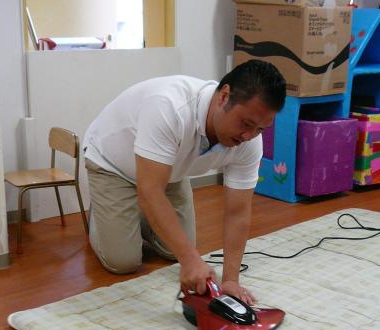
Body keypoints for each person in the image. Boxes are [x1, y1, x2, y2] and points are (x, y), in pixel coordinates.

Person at [83, 60, 286, 305]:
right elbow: (150, 192)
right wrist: (190, 260)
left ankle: (138, 215)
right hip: (113, 165)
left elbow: (238, 211)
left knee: (173, 251)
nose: (249, 136)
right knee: (123, 261)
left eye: (260, 129)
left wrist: (231, 280)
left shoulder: (249, 141)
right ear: (224, 97)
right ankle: (102, 216)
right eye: (246, 124)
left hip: (168, 172)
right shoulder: (169, 107)